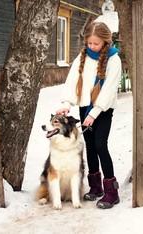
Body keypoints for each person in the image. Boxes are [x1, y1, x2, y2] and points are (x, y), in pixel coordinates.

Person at [56, 22, 121, 209]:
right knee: (90, 147)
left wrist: (94, 113)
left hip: (103, 109)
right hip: (84, 107)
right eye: (90, 43)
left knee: (101, 145)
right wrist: (66, 104)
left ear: (105, 42)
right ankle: (96, 188)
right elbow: (72, 80)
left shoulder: (113, 59)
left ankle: (111, 192)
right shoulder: (83, 56)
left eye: (96, 44)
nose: (92, 46)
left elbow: (108, 90)